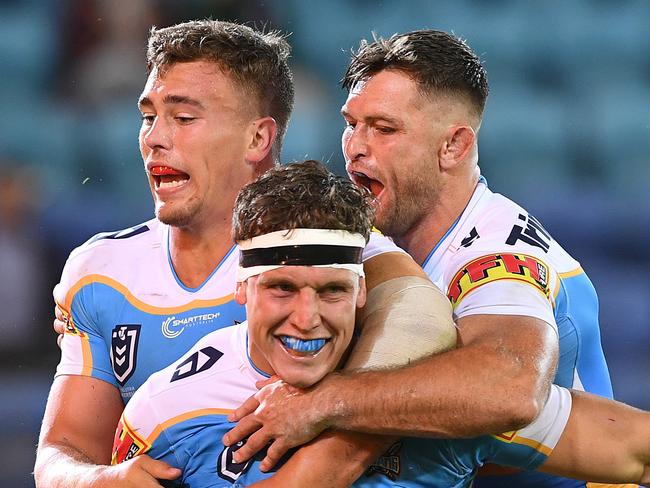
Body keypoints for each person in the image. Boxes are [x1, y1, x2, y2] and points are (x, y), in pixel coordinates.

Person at [35, 21, 454, 488]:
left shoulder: (331, 243)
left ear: (258, 139)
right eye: (148, 115)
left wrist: (324, 435)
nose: (154, 137)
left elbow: (422, 319)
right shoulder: (100, 271)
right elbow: (62, 450)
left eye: (183, 118)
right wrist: (98, 481)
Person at [222, 30, 615, 488]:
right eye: (352, 123)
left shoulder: (497, 254)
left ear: (454, 146)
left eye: (384, 129)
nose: (355, 147)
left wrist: (324, 402)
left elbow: (511, 387)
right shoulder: (361, 233)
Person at [114, 160, 650, 487]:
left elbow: (634, 448)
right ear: (241, 285)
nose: (307, 320)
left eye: (332, 291)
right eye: (282, 288)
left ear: (362, 291)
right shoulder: (165, 415)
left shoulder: (438, 396)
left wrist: (347, 406)